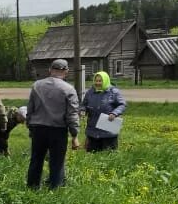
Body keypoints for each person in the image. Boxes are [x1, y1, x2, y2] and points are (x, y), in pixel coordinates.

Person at [26, 59, 81, 190]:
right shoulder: (69, 89)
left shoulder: (37, 85)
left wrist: (30, 126)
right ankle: (55, 189)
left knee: (36, 160)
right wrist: (74, 135)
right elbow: (72, 114)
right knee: (57, 162)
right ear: (66, 72)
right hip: (58, 130)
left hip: (38, 129)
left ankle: (32, 188)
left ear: (50, 70)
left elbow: (30, 109)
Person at [81, 71, 127, 152]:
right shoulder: (90, 92)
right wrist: (82, 110)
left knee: (108, 155)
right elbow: (83, 105)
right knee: (92, 155)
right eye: (96, 80)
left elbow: (122, 105)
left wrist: (114, 113)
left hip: (108, 130)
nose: (98, 83)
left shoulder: (114, 92)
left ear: (105, 80)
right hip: (92, 130)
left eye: (100, 81)